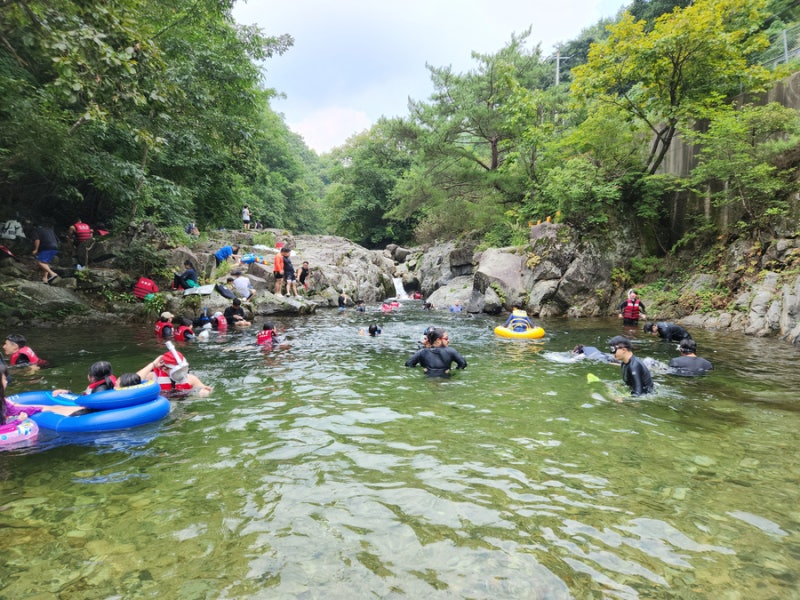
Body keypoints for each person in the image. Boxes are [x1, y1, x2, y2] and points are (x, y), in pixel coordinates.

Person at [1, 363, 82, 424]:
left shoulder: (3, 400)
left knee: (51, 408)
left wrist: (45, 408)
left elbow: (14, 408)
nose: (6, 381)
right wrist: (18, 421)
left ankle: (85, 410)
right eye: (4, 379)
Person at [136, 349, 212, 398]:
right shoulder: (153, 377)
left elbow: (206, 388)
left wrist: (205, 392)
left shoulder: (191, 379)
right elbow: (130, 383)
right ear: (164, 368)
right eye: (177, 370)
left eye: (183, 369)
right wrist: (153, 364)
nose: (182, 373)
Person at [53, 361, 117, 397]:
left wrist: (68, 393)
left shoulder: (99, 391)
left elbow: (84, 403)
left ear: (92, 378)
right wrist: (67, 392)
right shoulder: (110, 384)